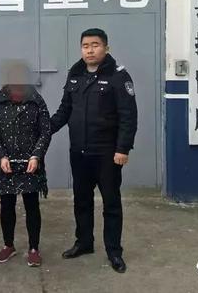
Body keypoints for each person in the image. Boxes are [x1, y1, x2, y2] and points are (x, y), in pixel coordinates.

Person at [50, 28, 137, 273]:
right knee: (82, 201)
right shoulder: (75, 73)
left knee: (111, 203)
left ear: (106, 48)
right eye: (85, 46)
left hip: (107, 154)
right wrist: (44, 130)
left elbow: (128, 116)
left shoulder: (118, 76)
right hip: (79, 152)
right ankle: (84, 242)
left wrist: (123, 148)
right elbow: (65, 110)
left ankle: (114, 252)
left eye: (95, 45)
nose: (90, 50)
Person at [0, 60, 51, 267]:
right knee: (7, 206)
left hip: (31, 165)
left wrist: (36, 156)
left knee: (32, 206)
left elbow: (45, 131)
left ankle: (34, 249)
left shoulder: (37, 101)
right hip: (6, 165)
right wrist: (0, 156)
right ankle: (8, 245)